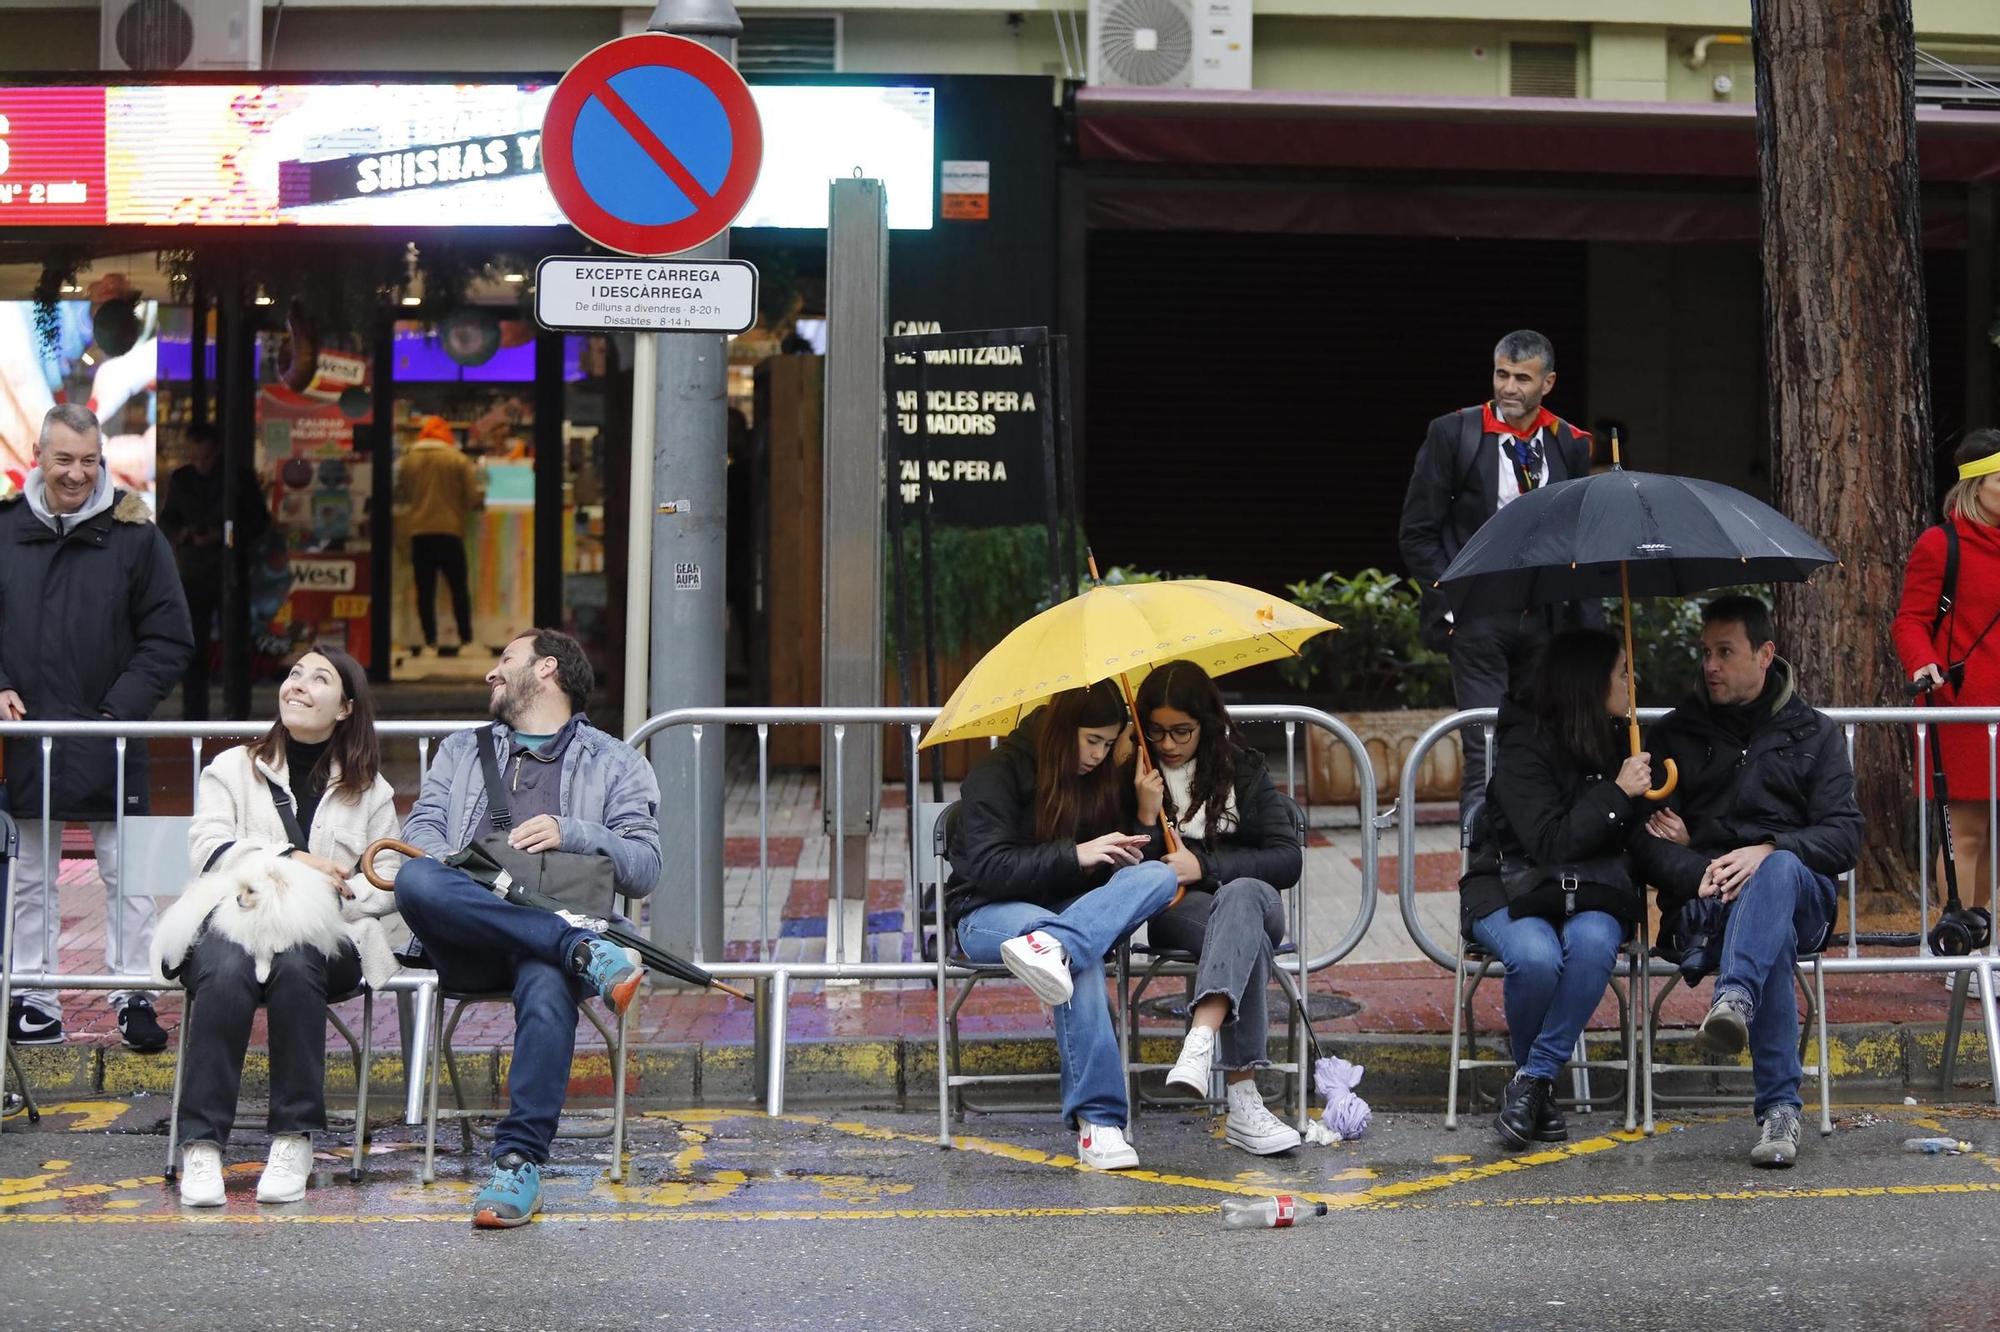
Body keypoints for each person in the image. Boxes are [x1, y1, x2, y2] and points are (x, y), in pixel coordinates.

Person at [395, 628, 661, 1228]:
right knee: (415, 880)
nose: (492, 673)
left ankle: (517, 1162)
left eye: (504, 658)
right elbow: (421, 832)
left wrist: (574, 832)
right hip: (472, 937)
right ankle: (579, 950)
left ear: (546, 669)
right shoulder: (461, 750)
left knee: (545, 982)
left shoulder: (617, 761)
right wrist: (462, 867)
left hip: (550, 941)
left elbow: (645, 868)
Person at [162, 646, 402, 1207]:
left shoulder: (371, 790)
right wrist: (290, 861)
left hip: (330, 939)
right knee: (223, 969)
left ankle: (294, 1139)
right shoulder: (231, 769)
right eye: (295, 674)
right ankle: (201, 1147)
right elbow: (208, 851)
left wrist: (322, 901)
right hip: (234, 922)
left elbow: (387, 874)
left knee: (298, 963)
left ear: (345, 708)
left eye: (318, 679)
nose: (298, 685)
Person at [1635, 596, 1862, 1168]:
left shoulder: (1815, 733)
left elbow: (1845, 837)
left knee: (1777, 871)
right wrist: (1702, 868)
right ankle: (1780, 1114)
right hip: (1708, 903)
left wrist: (1770, 849)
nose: (1710, 665)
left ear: (1765, 655)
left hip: (1801, 891)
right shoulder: (1674, 734)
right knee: (1772, 937)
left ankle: (1734, 996)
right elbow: (1644, 844)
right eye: (1705, 652)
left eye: (1725, 652)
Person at [0, 403, 193, 1051]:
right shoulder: (4, 527)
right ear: (38, 455)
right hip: (27, 738)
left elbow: (171, 637)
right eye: (64, 460)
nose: (78, 474)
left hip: (116, 734)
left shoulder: (137, 531)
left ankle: (137, 992)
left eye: (89, 460)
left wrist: (119, 710)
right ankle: (32, 996)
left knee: (136, 875)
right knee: (29, 875)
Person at [944, 681, 1186, 1171]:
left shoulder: (1103, 777)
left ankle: (1057, 945)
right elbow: (988, 868)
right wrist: (1074, 855)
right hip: (990, 913)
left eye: (1107, 742)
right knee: (1079, 959)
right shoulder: (998, 772)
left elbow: (1125, 872)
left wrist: (1142, 810)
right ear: (1061, 730)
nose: (1099, 754)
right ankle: (1098, 1124)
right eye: (1091, 740)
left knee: (1159, 875)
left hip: (1073, 916)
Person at [1397, 330, 1600, 842]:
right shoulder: (1455, 433)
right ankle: (1480, 853)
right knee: (1484, 741)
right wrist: (1452, 607)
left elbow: (1580, 537)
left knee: (1546, 739)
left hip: (1547, 616)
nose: (1509, 387)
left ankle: (1537, 845)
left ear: (1548, 383)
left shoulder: (1571, 443)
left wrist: (1592, 632)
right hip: (1478, 614)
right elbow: (1417, 532)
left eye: (1522, 378)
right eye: (1501, 374)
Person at [1458, 630, 1649, 1149]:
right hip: (1512, 883)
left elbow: (1633, 837)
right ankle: (1537, 1087)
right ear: (1591, 682)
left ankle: (1532, 1081)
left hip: (1594, 888)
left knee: (1590, 945)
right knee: (1536, 956)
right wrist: (1616, 794)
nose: (1635, 682)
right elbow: (1546, 843)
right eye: (1623, 671)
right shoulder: (1524, 740)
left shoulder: (1622, 739)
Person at [1132, 661, 1305, 1156]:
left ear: (1205, 723)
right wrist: (1146, 816)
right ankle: (1243, 1095)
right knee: (1239, 930)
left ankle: (1201, 1038)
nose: (1168, 743)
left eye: (1181, 731)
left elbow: (1285, 858)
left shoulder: (1240, 767)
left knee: (1243, 898)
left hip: (1250, 900)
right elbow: (1128, 874)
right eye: (1157, 731)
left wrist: (1203, 867)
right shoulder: (1139, 774)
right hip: (1178, 912)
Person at [1893, 428, 2000, 931]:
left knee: (1993, 837)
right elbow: (1911, 619)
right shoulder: (1941, 544)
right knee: (1968, 832)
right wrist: (1921, 660)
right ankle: (1965, 941)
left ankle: (1986, 938)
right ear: (1976, 485)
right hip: (1962, 706)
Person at [158, 422, 271, 720]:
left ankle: (237, 710)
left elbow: (259, 522)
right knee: (193, 645)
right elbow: (167, 519)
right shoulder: (182, 479)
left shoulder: (237, 479)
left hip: (228, 570)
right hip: (194, 570)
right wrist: (184, 534)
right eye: (194, 457)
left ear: (217, 451)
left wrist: (223, 536)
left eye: (205, 457)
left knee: (236, 643)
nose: (200, 464)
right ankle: (194, 714)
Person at [394, 415, 483, 658]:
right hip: (450, 530)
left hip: (419, 532)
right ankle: (466, 639)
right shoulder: (457, 459)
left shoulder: (409, 460)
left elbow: (401, 491)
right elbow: (473, 496)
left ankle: (428, 641)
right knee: (458, 588)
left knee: (425, 590)